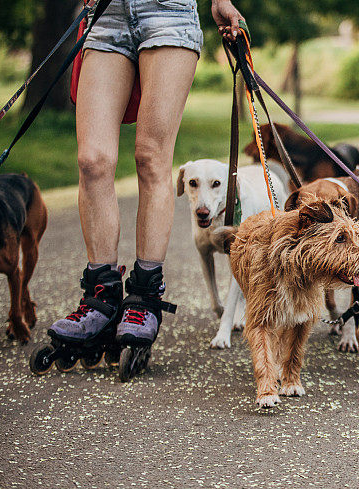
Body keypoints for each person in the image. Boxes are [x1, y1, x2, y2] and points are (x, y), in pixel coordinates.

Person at [47, 0, 244, 364]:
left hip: (167, 12)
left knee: (151, 157)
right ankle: (101, 298)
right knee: (92, 161)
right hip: (105, 15)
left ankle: (143, 298)